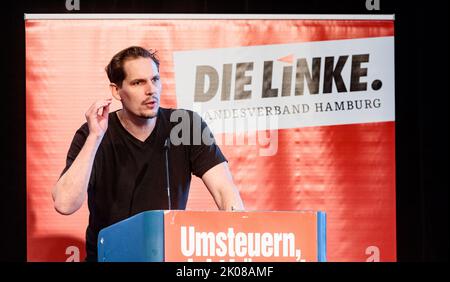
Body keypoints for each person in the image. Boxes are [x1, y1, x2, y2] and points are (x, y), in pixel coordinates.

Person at [52, 46, 244, 262]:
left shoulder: (185, 126)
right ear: (116, 91)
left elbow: (224, 191)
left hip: (167, 258)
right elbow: (64, 204)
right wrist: (95, 138)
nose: (151, 90)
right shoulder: (93, 133)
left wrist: (238, 240)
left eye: (155, 80)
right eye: (138, 83)